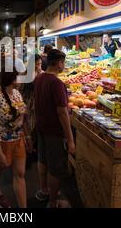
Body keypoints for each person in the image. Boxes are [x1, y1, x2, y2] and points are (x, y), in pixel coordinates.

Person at [34, 49, 75, 208]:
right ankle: (52, 202)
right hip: (54, 132)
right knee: (56, 168)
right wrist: (70, 140)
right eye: (63, 62)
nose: (63, 65)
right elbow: (63, 113)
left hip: (41, 127)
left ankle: (44, 190)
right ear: (59, 63)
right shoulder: (57, 84)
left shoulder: (39, 78)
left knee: (42, 160)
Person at [0, 66, 32, 208]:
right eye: (17, 76)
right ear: (12, 79)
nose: (19, 79)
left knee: (20, 173)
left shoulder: (17, 94)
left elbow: (23, 116)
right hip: (2, 142)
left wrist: (28, 137)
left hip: (18, 140)